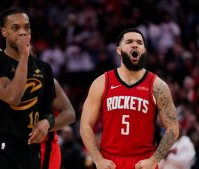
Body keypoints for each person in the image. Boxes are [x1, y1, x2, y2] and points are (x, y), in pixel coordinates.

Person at [80, 28, 179, 169]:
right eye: (129, 41)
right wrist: (97, 159)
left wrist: (154, 160)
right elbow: (85, 125)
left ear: (144, 50)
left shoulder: (158, 86)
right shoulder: (102, 82)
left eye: (139, 42)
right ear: (118, 50)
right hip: (110, 162)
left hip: (143, 162)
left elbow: (173, 128)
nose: (135, 45)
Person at [0, 7, 55, 169]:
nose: (23, 32)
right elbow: (12, 97)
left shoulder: (44, 68)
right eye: (16, 28)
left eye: (26, 27)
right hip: (2, 144)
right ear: (4, 32)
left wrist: (46, 123)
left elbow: (48, 111)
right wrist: (24, 58)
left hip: (30, 145)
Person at [41, 79, 76, 169]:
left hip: (44, 147)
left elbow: (70, 114)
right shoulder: (4, 76)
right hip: (13, 144)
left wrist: (46, 125)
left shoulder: (47, 80)